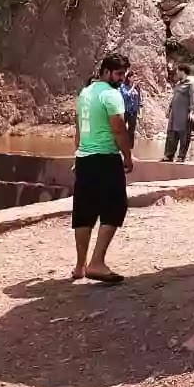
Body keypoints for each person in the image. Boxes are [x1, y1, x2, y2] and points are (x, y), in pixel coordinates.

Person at [72, 52, 133, 284]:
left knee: (84, 211)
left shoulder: (84, 93)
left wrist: (77, 154)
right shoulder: (110, 95)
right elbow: (118, 129)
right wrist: (127, 156)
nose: (121, 79)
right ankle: (96, 263)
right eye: (118, 74)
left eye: (124, 74)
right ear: (106, 71)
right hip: (106, 159)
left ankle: (80, 266)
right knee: (116, 207)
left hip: (85, 159)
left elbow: (78, 128)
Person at [163, 64, 194, 162]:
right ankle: (168, 155)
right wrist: (169, 109)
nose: (176, 73)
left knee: (184, 135)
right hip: (174, 114)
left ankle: (181, 156)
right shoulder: (178, 85)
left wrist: (191, 111)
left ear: (183, 71)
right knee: (171, 134)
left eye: (178, 71)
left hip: (183, 114)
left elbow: (192, 98)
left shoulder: (190, 84)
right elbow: (174, 98)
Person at [119, 69, 141, 147]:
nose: (135, 79)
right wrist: (133, 87)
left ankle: (130, 148)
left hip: (133, 111)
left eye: (136, 77)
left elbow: (138, 99)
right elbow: (125, 96)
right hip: (125, 110)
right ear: (129, 78)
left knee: (131, 130)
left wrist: (138, 110)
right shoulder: (123, 86)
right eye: (133, 77)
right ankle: (119, 146)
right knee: (121, 129)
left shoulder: (137, 87)